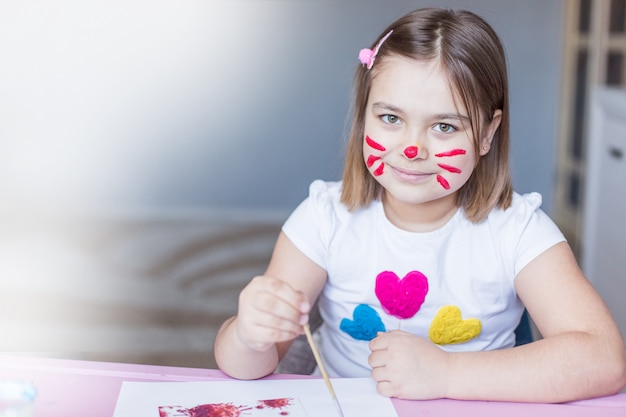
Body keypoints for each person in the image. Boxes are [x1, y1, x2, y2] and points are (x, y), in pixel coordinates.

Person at [214, 7, 626, 402]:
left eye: (444, 126)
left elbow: (604, 359)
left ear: (487, 134)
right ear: (364, 116)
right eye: (391, 118)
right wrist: (248, 336)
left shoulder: (517, 230)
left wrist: (446, 374)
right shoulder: (324, 218)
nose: (412, 149)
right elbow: (245, 367)